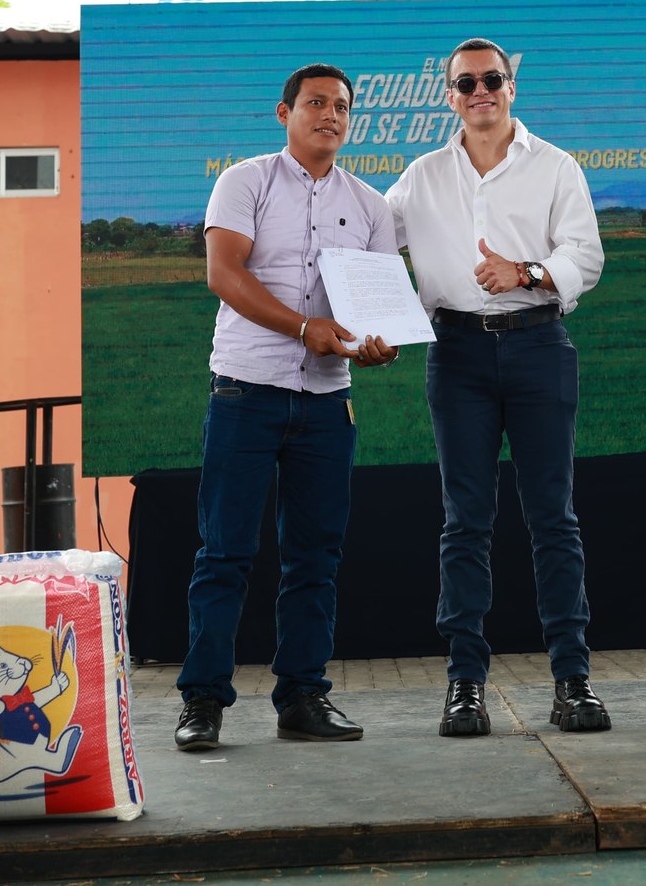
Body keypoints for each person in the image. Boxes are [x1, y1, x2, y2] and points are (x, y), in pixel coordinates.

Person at [386, 37, 609, 739]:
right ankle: (465, 683)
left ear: (512, 85)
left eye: (492, 79)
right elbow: (367, 242)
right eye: (466, 83)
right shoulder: (420, 176)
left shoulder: (556, 166)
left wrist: (527, 272)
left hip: (540, 345)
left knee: (553, 517)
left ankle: (572, 678)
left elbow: (586, 256)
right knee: (465, 520)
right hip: (456, 353)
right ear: (449, 95)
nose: (479, 91)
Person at [173, 64, 398, 754]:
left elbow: (376, 303)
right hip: (245, 392)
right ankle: (203, 700)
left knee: (315, 558)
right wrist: (303, 328)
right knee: (225, 552)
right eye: (315, 102)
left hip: (328, 403)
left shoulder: (370, 205)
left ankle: (302, 696)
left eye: (342, 106)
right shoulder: (245, 181)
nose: (330, 114)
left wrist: (378, 342)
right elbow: (224, 274)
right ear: (285, 112)